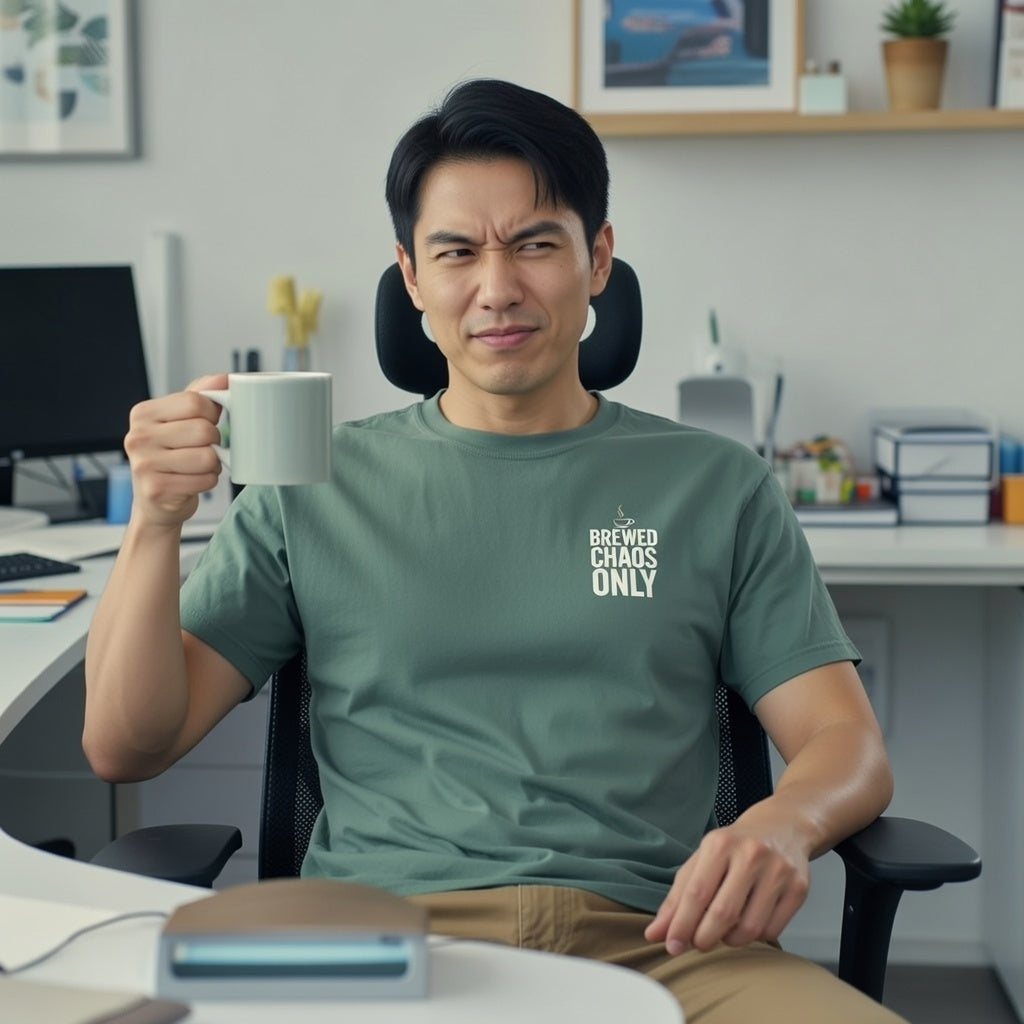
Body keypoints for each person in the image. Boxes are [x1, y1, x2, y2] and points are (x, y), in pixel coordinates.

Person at [84, 79, 903, 1023]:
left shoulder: (717, 487)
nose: (498, 288)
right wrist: (155, 521)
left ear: (599, 258)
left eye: (536, 245)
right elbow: (126, 746)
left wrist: (785, 824)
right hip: (384, 945)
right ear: (411, 277)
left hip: (668, 944)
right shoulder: (311, 486)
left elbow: (846, 745)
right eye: (457, 252)